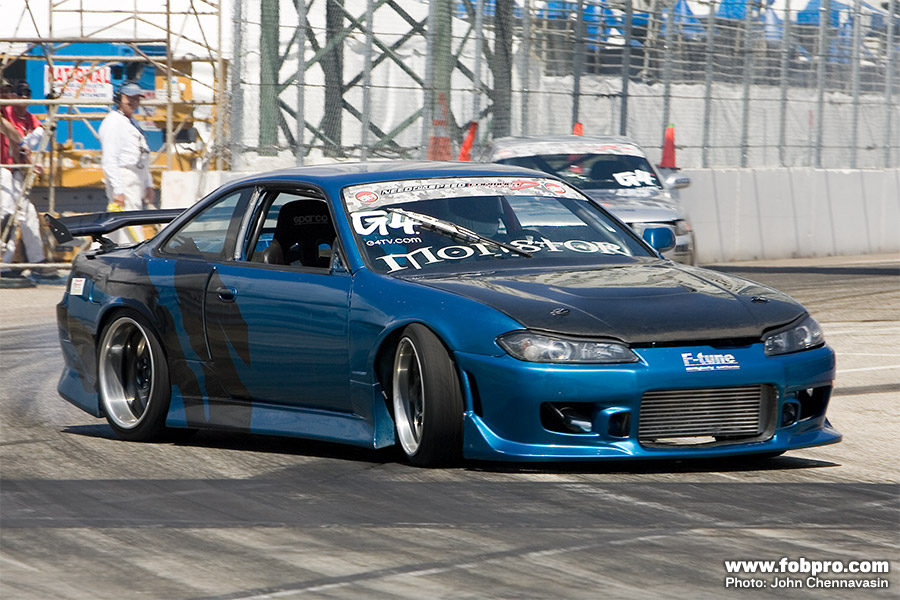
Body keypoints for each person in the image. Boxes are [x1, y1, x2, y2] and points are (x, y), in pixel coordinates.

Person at [99, 81, 154, 244]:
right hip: (124, 180)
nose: (133, 102)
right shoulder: (113, 122)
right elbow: (110, 159)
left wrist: (148, 184)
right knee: (129, 226)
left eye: (136, 98)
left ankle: (99, 253)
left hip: (135, 179)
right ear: (119, 98)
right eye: (129, 98)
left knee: (120, 229)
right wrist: (118, 189)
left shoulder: (130, 122)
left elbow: (141, 155)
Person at [1, 80, 47, 271]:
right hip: (4, 169)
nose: (23, 98)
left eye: (7, 92)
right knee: (6, 214)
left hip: (13, 170)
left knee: (27, 214)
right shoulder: (6, 113)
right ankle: (4, 265)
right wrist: (23, 145)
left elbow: (36, 133)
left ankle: (37, 261)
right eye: (4, 92)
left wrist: (28, 156)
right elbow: (11, 133)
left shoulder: (22, 116)